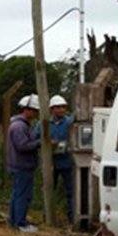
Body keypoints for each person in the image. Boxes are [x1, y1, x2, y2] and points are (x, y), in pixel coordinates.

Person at [7, 94, 41, 232]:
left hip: (19, 165)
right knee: (23, 195)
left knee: (17, 194)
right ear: (26, 109)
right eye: (33, 110)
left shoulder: (20, 125)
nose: (35, 113)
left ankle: (14, 220)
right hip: (22, 165)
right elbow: (23, 146)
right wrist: (40, 142)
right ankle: (20, 223)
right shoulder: (19, 126)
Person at [46, 95, 74, 223]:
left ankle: (72, 216)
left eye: (63, 107)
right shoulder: (45, 124)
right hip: (51, 163)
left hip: (67, 162)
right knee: (49, 189)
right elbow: (36, 137)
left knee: (71, 190)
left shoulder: (69, 122)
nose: (61, 110)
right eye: (58, 107)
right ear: (52, 109)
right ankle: (48, 216)